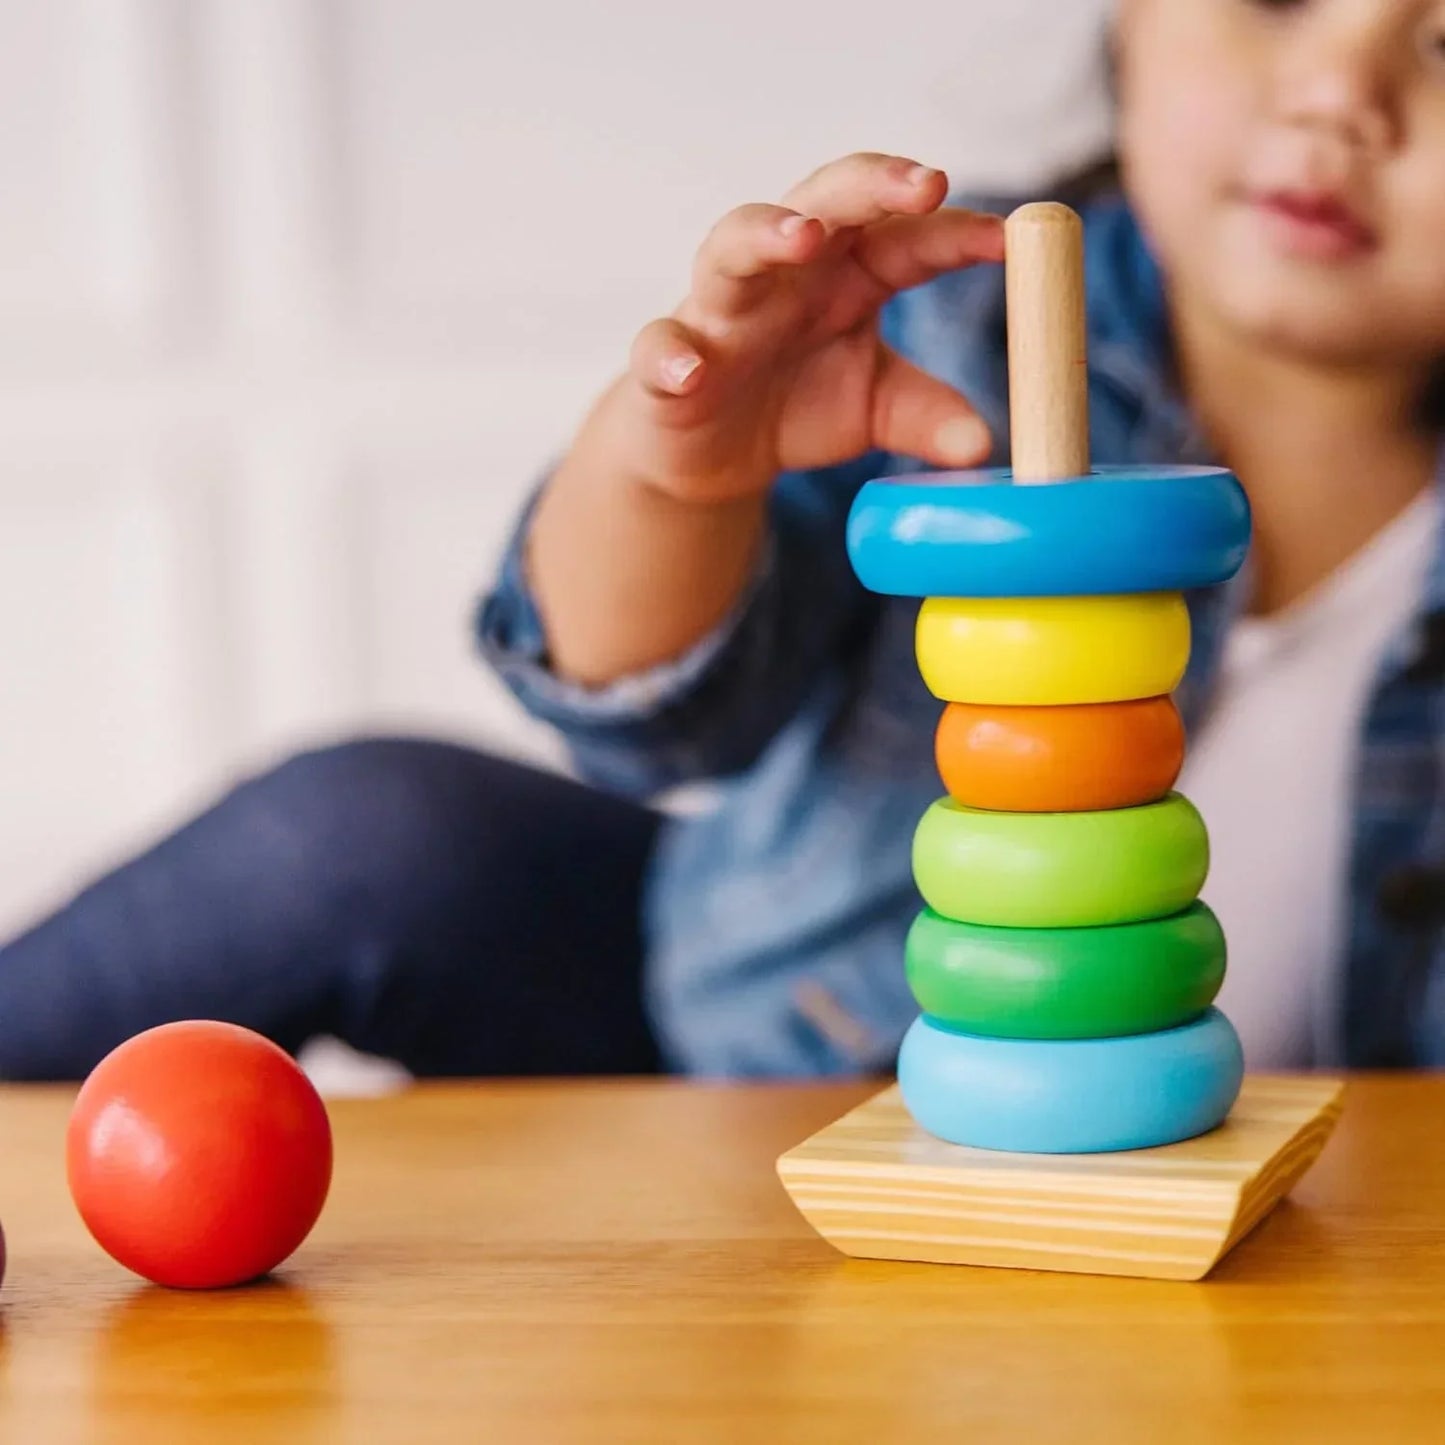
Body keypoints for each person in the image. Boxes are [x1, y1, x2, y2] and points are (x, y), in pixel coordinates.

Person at [1, 0, 1442, 1080]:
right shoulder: (945, 330)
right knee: (365, 834)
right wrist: (680, 469)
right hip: (772, 1065)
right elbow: (653, 716)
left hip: (1287, 1161)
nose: (1340, 96)